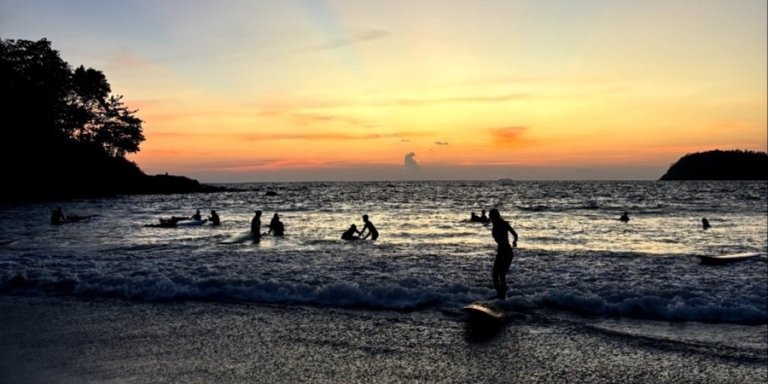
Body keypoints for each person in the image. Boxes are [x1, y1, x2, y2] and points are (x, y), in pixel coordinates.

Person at [489, 208, 518, 300]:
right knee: (500, 276)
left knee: (498, 275)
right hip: (506, 252)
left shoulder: (500, 225)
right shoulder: (502, 224)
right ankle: (501, 296)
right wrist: (514, 241)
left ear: (495, 216)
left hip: (504, 252)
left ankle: (501, 296)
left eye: (491, 216)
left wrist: (512, 242)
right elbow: (515, 234)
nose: (491, 218)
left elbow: (512, 235)